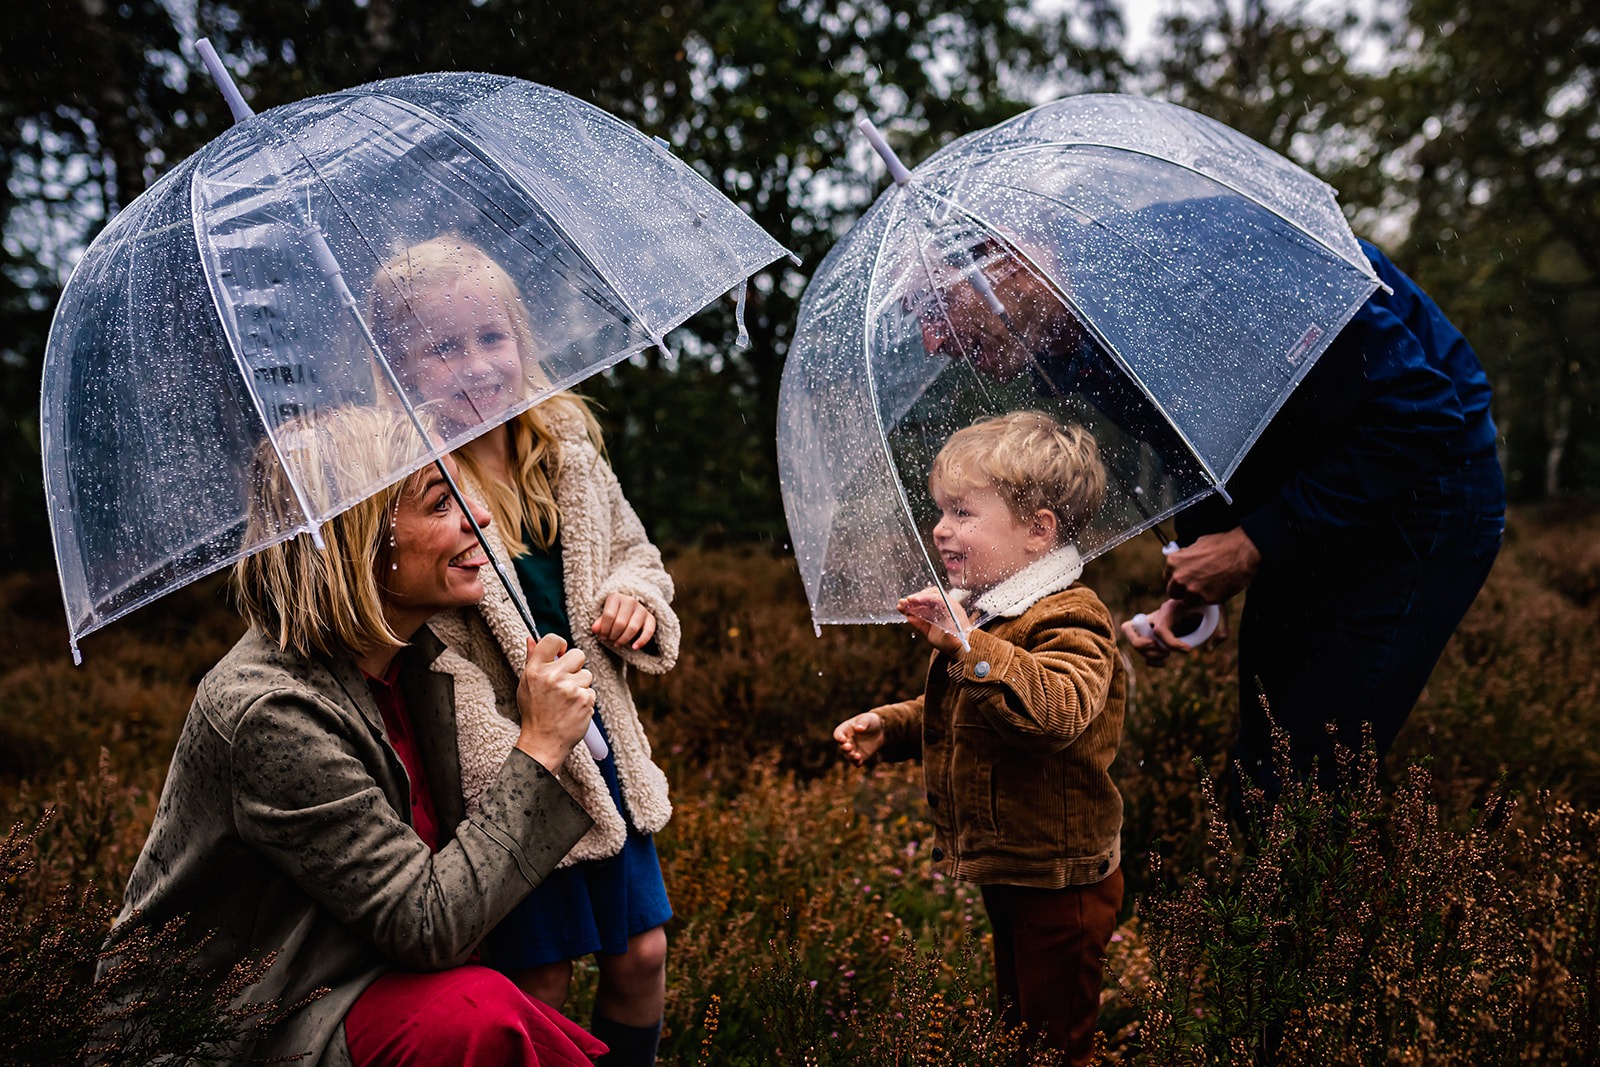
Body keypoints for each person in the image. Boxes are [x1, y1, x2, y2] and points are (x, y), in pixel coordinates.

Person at [912, 216, 1504, 805]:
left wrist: (1254, 544)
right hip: (1314, 488)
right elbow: (1210, 446)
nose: (933, 341)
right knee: (1267, 760)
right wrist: (1201, 566)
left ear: (1005, 259)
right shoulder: (1074, 339)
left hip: (1425, 494)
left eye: (936, 307)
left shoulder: (1200, 269)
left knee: (1307, 775)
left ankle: (1340, 893)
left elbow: (1420, 414)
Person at [98, 405, 608, 1066]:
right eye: (440, 502)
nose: (480, 515)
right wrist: (539, 746)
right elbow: (428, 925)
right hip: (240, 1024)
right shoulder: (271, 712)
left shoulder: (412, 659)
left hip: (350, 978)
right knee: (475, 1016)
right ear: (361, 537)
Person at [370, 237, 678, 1067]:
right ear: (394, 366)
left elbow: (634, 553)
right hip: (512, 766)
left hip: (600, 743)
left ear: (522, 341)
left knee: (642, 954)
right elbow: (422, 644)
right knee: (536, 977)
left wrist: (634, 600)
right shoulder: (408, 484)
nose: (475, 365)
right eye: (441, 348)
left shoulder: (566, 452)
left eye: (490, 338)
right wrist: (522, 745)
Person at [832, 411, 1126, 1067]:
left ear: (1038, 530)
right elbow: (966, 707)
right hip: (1012, 864)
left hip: (1063, 879)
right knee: (1020, 1021)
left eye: (963, 512)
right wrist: (893, 724)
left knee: (1054, 1042)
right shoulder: (992, 610)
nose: (941, 528)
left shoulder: (1068, 614)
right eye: (941, 511)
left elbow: (1056, 710)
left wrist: (971, 645)